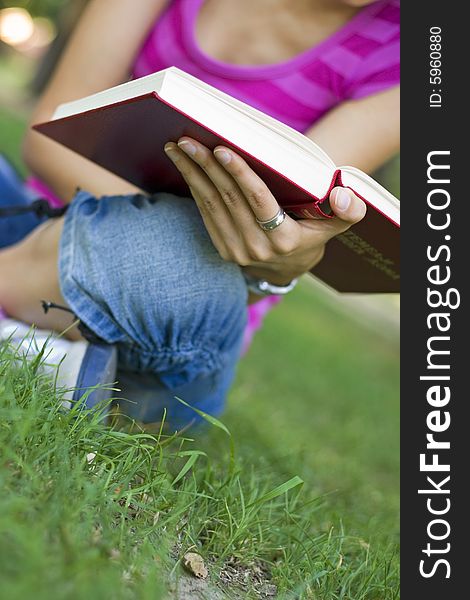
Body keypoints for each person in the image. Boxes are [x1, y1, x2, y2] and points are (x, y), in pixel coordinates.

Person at [0, 0, 400, 428]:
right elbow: (50, 136)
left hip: (177, 297)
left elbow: (261, 237)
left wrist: (280, 269)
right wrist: (148, 216)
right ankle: (45, 351)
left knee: (176, 259)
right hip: (39, 223)